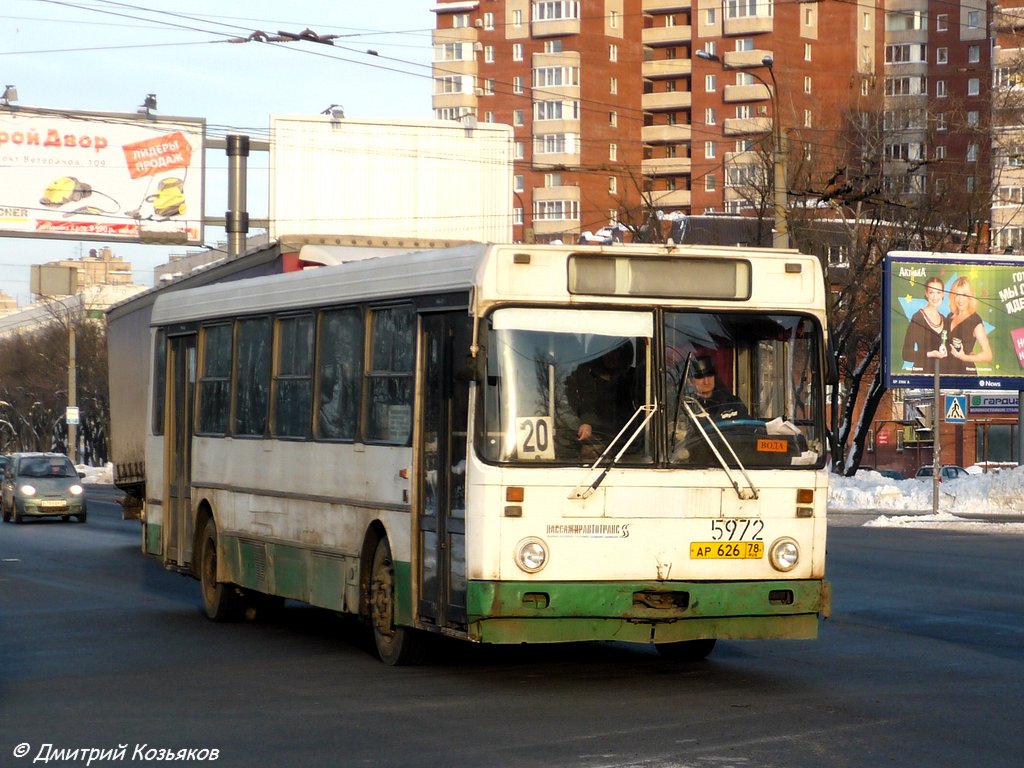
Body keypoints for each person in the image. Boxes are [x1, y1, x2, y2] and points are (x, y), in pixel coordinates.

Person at [563, 341, 637, 456]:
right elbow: (586, 400)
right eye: (605, 352)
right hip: (595, 441)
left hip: (631, 445)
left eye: (615, 351)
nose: (610, 356)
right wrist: (587, 422)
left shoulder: (634, 378)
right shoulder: (584, 376)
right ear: (598, 354)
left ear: (623, 354)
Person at [945, 276, 992, 375]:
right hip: (946, 372)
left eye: (964, 295)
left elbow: (988, 355)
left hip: (965, 375)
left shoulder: (975, 320)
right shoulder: (949, 316)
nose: (960, 299)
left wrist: (965, 357)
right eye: (957, 295)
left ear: (970, 297)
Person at [901, 276, 948, 372]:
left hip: (942, 376)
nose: (935, 297)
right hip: (921, 377)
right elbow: (906, 354)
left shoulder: (945, 319)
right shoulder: (918, 318)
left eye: (938, 292)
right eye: (931, 292)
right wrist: (930, 354)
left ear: (943, 294)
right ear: (926, 294)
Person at [689, 355, 748, 420]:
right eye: (700, 377)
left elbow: (747, 426)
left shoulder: (732, 403)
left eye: (710, 374)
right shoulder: (687, 408)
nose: (706, 381)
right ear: (689, 381)